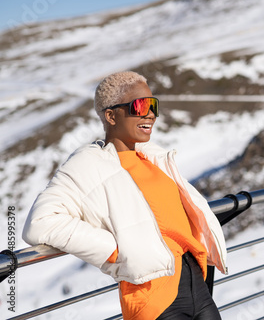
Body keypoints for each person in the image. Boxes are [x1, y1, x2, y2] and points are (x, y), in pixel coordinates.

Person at [23, 71, 227, 320]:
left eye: (153, 105)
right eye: (140, 105)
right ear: (111, 115)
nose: (150, 113)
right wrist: (116, 251)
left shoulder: (152, 156)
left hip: (197, 284)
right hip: (154, 297)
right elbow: (40, 224)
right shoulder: (87, 163)